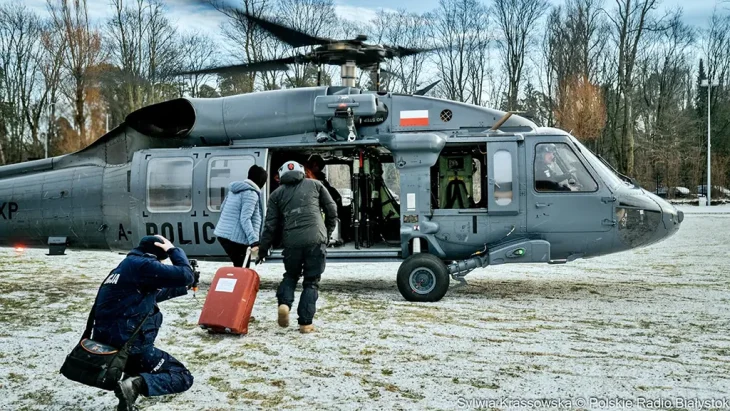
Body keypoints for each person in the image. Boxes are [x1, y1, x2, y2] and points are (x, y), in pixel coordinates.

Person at [91, 235, 196, 411]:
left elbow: (144, 296)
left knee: (137, 370)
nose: (162, 264)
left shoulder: (126, 267)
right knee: (182, 376)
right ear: (157, 251)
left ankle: (129, 396)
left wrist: (181, 288)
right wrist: (173, 251)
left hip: (110, 345)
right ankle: (135, 384)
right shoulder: (144, 265)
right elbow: (186, 275)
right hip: (131, 348)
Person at [257, 161, 338, 333]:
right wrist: (327, 233)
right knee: (311, 282)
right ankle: (305, 324)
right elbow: (332, 211)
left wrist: (263, 250)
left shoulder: (276, 194)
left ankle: (285, 304)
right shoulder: (316, 185)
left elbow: (270, 226)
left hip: (292, 242)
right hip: (316, 240)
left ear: (281, 176)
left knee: (291, 276)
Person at [214, 165, 268, 267]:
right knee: (242, 267)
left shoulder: (234, 190)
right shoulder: (251, 194)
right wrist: (254, 242)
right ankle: (238, 283)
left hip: (223, 235)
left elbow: (222, 208)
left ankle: (237, 282)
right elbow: (245, 218)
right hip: (235, 239)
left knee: (240, 265)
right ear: (261, 181)